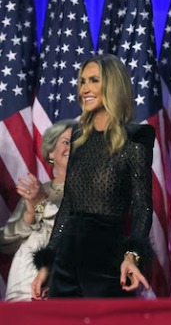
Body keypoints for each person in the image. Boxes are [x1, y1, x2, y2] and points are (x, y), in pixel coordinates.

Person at [31, 54, 155, 298]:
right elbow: (68, 206)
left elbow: (142, 206)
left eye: (94, 80)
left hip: (107, 263)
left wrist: (132, 257)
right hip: (66, 261)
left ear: (112, 85)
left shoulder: (135, 139)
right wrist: (48, 263)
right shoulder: (78, 138)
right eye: (82, 81)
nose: (84, 88)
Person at [0, 120, 73, 301]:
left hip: (66, 278)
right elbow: (5, 242)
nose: (72, 147)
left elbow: (74, 229)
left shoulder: (92, 191)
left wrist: (42, 204)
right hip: (24, 281)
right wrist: (32, 211)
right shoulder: (37, 190)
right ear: (50, 153)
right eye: (66, 142)